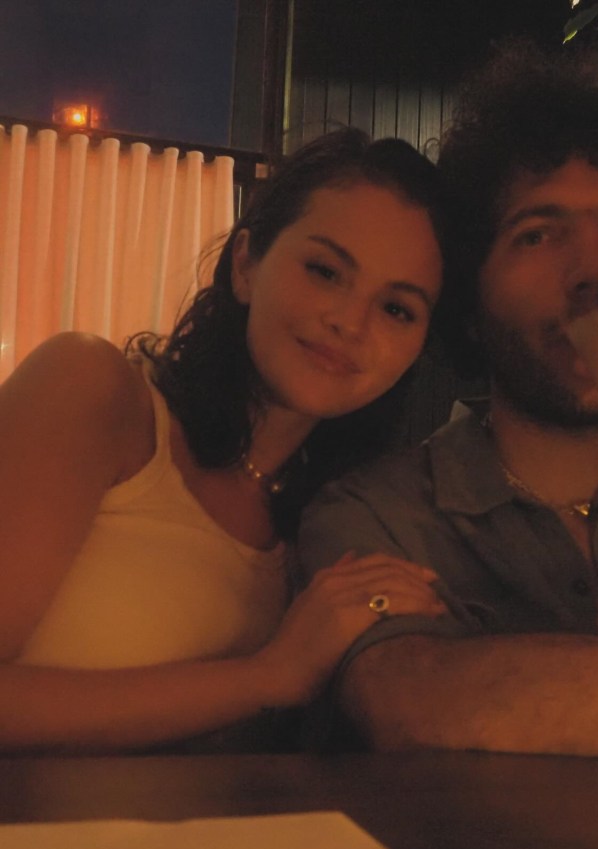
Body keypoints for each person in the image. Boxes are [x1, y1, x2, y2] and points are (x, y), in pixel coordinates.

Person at [297, 39, 598, 757]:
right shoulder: (383, 512)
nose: (594, 273)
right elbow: (412, 699)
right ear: (470, 300)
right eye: (538, 235)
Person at [0, 128, 447, 753]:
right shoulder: (94, 390)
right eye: (325, 271)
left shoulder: (340, 522)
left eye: (397, 309)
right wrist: (267, 677)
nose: (350, 323)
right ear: (245, 265)